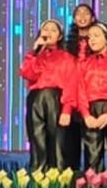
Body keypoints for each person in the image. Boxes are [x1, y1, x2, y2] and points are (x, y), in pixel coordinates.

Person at [61, 22, 107, 171]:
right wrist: (86, 115)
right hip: (90, 110)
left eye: (96, 36)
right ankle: (93, 186)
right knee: (92, 157)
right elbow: (80, 91)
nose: (92, 40)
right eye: (89, 37)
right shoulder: (83, 65)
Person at [18, 19, 76, 170]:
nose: (48, 32)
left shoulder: (67, 58)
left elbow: (71, 85)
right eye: (45, 29)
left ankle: (58, 178)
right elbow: (27, 74)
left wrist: (67, 110)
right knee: (37, 141)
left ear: (60, 36)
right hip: (36, 99)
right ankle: (38, 176)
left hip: (55, 99)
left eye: (53, 30)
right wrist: (35, 53)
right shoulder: (34, 56)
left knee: (57, 143)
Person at [62, 2, 97, 167]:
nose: (82, 16)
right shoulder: (65, 46)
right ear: (74, 19)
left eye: (86, 13)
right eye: (78, 13)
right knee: (69, 144)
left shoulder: (100, 43)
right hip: (69, 98)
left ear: (93, 18)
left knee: (93, 145)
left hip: (91, 97)